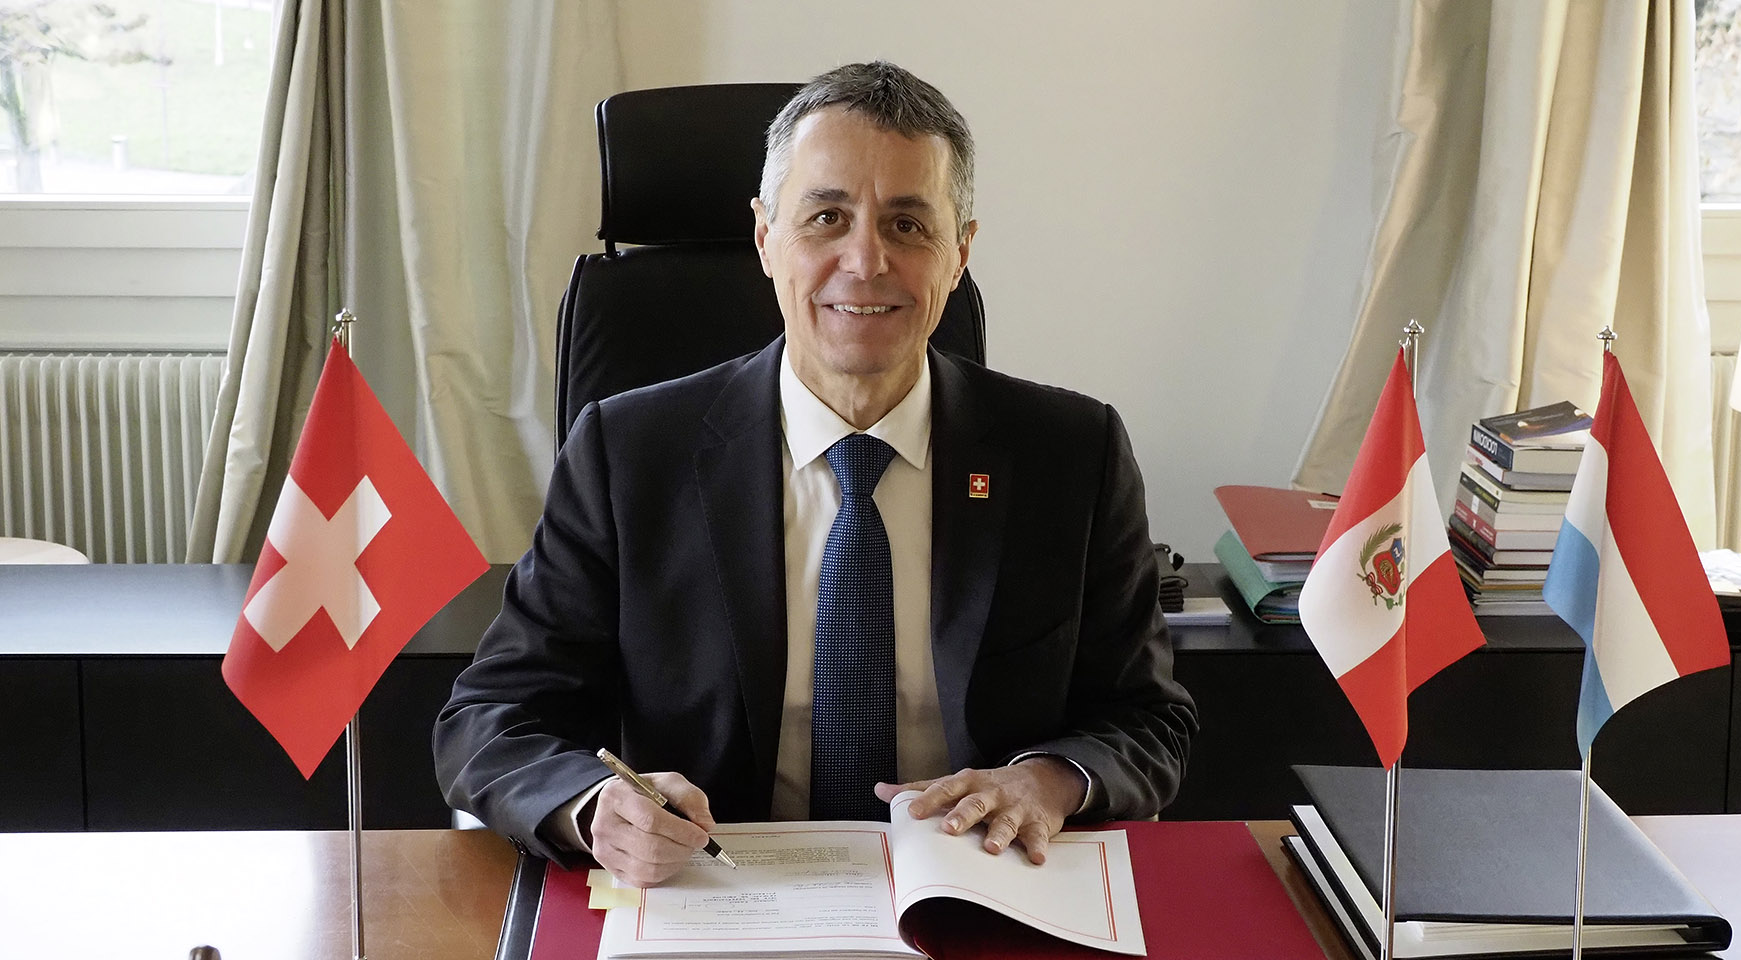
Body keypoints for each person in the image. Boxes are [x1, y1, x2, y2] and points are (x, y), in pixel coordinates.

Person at [434, 61, 1195, 888]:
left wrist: (1048, 779)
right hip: (714, 897)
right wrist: (595, 807)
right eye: (826, 216)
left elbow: (1148, 718)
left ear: (961, 250)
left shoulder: (1071, 453)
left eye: (908, 225)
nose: (865, 260)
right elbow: (489, 719)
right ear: (765, 237)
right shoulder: (629, 452)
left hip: (980, 890)